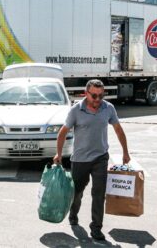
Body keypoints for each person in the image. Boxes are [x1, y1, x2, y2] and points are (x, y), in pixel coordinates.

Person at [53, 79, 130, 242]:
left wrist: (125, 152)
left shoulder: (108, 108)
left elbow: (118, 130)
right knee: (77, 192)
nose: (97, 99)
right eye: (94, 95)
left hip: (100, 157)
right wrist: (58, 154)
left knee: (99, 194)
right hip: (80, 160)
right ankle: (73, 214)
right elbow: (62, 132)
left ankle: (96, 228)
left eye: (101, 96)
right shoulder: (76, 110)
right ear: (86, 93)